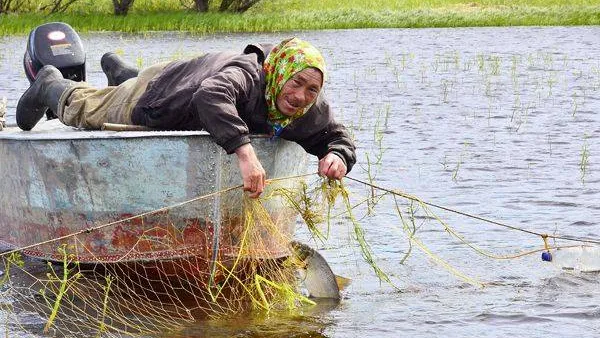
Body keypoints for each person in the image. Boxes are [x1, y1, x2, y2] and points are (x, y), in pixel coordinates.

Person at [16, 38, 356, 198]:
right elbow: (211, 95)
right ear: (279, 72)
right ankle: (52, 84)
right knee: (85, 111)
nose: (300, 96)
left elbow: (335, 136)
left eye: (312, 89)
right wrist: (245, 153)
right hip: (161, 98)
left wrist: (337, 155)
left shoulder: (307, 103)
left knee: (137, 83)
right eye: (296, 83)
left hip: (184, 74)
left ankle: (124, 75)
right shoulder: (250, 75)